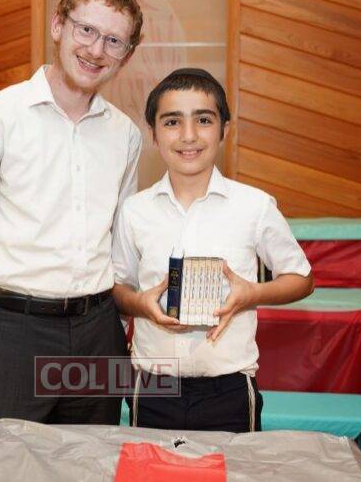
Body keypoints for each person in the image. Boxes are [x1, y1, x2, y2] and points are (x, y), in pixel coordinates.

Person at [0, 0, 144, 455]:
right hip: (8, 332)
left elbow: (120, 250)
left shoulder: (126, 135)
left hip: (97, 332)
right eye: (86, 30)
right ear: (58, 26)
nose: (96, 50)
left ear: (126, 55)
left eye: (113, 41)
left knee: (91, 467)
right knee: (2, 468)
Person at [111, 68, 314, 432]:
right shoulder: (134, 210)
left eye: (203, 120)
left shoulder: (254, 205)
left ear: (224, 130)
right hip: (153, 384)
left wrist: (252, 293)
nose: (188, 135)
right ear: (154, 134)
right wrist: (140, 303)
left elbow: (301, 279)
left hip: (230, 384)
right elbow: (117, 288)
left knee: (230, 464)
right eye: (172, 122)